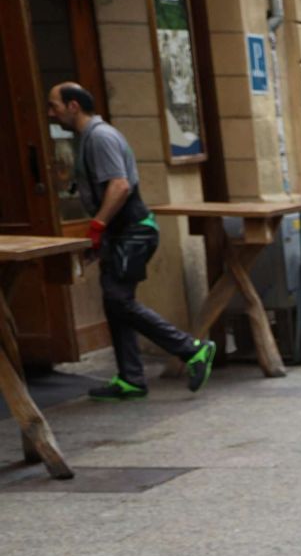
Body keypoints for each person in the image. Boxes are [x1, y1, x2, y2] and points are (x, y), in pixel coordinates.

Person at [46, 82, 214, 402]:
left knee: (119, 300)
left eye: (54, 105)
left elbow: (120, 186)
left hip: (133, 231)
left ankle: (192, 349)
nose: (50, 113)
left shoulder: (100, 137)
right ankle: (131, 378)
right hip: (122, 233)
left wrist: (97, 226)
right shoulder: (89, 137)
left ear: (73, 106)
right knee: (115, 302)